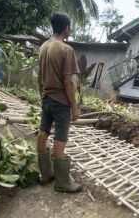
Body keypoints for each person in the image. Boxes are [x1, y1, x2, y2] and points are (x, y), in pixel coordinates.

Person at [36, 12, 83, 193]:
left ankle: (46, 174)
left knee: (43, 133)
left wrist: (42, 95)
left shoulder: (44, 47)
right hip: (61, 101)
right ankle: (63, 183)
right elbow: (68, 81)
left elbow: (40, 76)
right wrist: (74, 107)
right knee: (60, 140)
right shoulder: (66, 49)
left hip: (46, 98)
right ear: (66, 28)